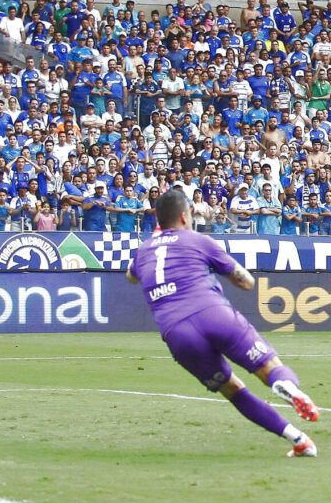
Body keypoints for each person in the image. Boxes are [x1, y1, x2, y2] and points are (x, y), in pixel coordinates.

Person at [127, 190, 319, 457]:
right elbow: (246, 282)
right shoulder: (197, 240)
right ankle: (287, 386)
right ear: (185, 216)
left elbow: (131, 276)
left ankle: (298, 440)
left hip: (177, 334)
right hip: (212, 313)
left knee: (232, 389)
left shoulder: (143, 251)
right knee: (268, 367)